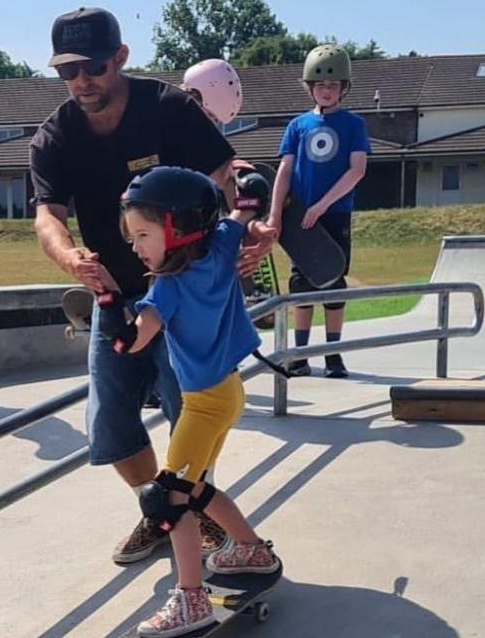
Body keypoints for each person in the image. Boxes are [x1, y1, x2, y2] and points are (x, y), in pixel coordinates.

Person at [30, 7, 274, 564]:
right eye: (67, 71)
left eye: (92, 66)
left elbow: (226, 168)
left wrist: (250, 215)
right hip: (115, 295)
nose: (81, 82)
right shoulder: (55, 138)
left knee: (191, 412)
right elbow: (47, 216)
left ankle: (193, 512)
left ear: (120, 58)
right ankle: (158, 511)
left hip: (182, 292)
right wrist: (70, 258)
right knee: (112, 423)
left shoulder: (166, 108)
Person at [95, 166, 280, 637]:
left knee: (167, 501)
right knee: (194, 488)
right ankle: (249, 549)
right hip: (230, 392)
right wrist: (251, 184)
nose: (134, 246)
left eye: (142, 234)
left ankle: (191, 600)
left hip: (202, 405)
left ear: (178, 231)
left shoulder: (168, 290)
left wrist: (108, 303)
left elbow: (132, 345)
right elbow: (247, 204)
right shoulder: (219, 247)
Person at [267, 45, 370, 379]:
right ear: (310, 86)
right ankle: (300, 355)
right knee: (302, 285)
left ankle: (333, 356)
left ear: (343, 88)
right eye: (321, 85)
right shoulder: (298, 126)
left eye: (334, 86)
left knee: (333, 280)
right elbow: (284, 171)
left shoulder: (353, 124)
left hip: (334, 213)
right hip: (300, 216)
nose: (327, 91)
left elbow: (357, 170)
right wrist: (275, 215)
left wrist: (323, 205)